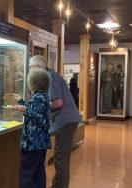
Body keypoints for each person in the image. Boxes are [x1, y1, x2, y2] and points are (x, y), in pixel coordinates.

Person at [29, 55, 81, 188]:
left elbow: (57, 103)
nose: (29, 71)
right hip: (63, 121)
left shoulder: (49, 77)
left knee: (61, 159)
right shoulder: (48, 76)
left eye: (30, 68)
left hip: (64, 122)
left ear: (37, 67)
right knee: (61, 158)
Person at [13, 68, 51, 188]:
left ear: (32, 83)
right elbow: (36, 112)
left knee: (27, 175)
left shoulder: (38, 98)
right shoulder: (42, 96)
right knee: (38, 173)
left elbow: (40, 119)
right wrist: (21, 101)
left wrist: (25, 109)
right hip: (40, 143)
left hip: (33, 144)